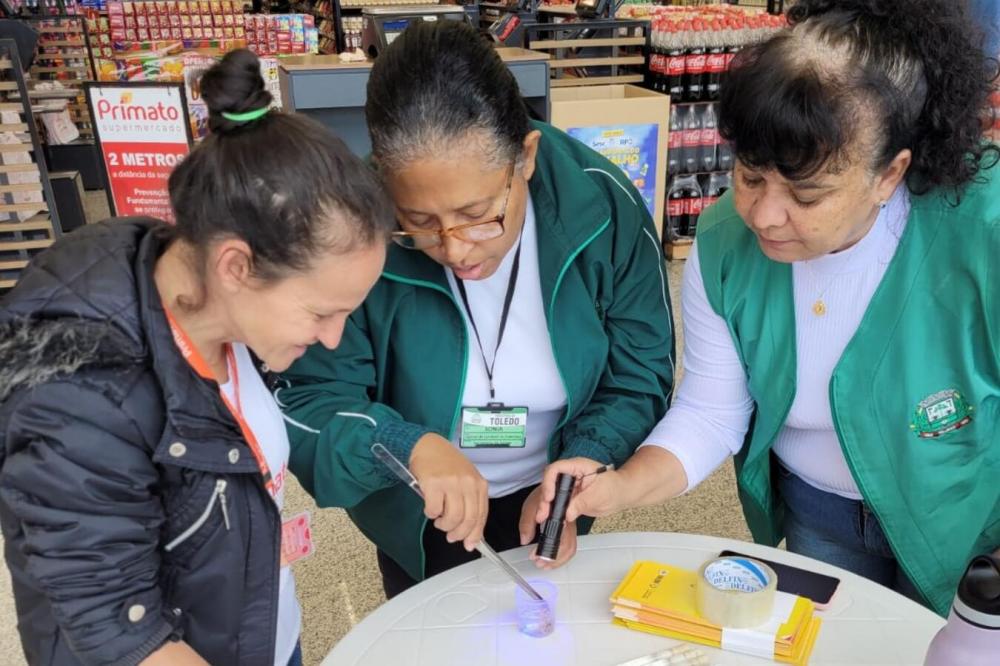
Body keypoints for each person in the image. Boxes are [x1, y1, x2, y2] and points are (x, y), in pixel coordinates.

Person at [540, 0, 1000, 616]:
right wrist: (622, 485)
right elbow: (711, 410)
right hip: (817, 513)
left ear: (890, 174)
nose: (763, 214)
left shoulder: (981, 231)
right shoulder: (727, 240)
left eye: (807, 193)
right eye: (751, 175)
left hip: (964, 520)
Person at [0, 50, 394, 665]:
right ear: (236, 265)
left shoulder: (220, 309)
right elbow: (116, 627)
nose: (334, 338)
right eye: (321, 313)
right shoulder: (80, 392)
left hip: (255, 630)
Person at [275, 20, 675, 598]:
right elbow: (310, 399)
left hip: (552, 496)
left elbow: (639, 375)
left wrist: (583, 462)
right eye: (419, 223)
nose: (456, 249)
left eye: (479, 213)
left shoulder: (602, 209)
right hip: (419, 514)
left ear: (526, 158)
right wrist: (399, 443)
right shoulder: (350, 227)